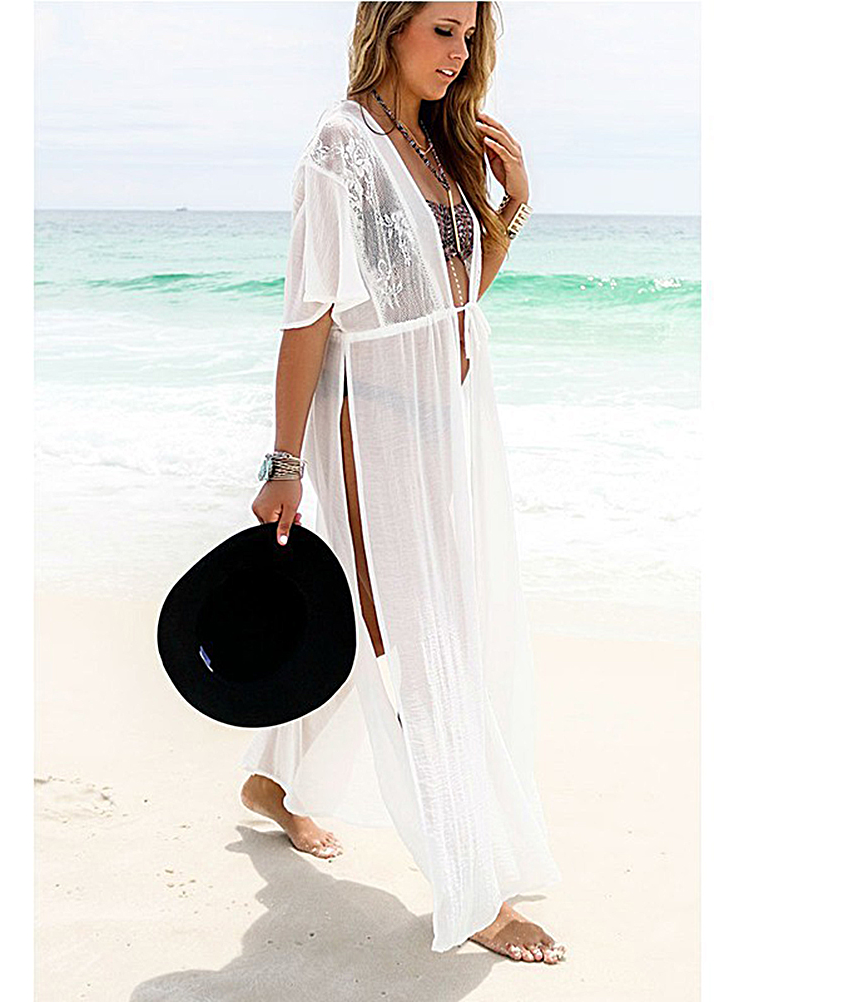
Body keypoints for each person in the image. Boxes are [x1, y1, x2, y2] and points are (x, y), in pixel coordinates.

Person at [242, 2, 565, 965]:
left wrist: (509, 207)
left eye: (469, 35)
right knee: (421, 642)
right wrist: (285, 463)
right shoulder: (341, 147)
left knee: (390, 622)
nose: (458, 53)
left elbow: (454, 299)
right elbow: (309, 316)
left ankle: (273, 784)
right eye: (442, 30)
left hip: (446, 424)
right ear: (389, 26)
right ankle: (471, 884)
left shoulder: (437, 143)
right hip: (370, 422)